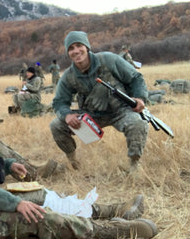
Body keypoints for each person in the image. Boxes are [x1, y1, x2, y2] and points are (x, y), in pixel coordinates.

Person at [0, 81, 157, 239]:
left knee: (42, 195)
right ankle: (113, 231)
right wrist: (16, 204)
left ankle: (113, 209)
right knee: (39, 217)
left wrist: (9, 164)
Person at [50, 31, 149, 171]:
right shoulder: (68, 76)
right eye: (71, 48)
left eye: (79, 46)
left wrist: (140, 98)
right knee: (56, 125)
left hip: (120, 110)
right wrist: (67, 115)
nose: (76, 51)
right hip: (91, 115)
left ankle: (134, 164)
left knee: (137, 123)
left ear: (87, 47)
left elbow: (136, 78)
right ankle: (73, 162)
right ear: (68, 53)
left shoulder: (109, 59)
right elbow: (59, 101)